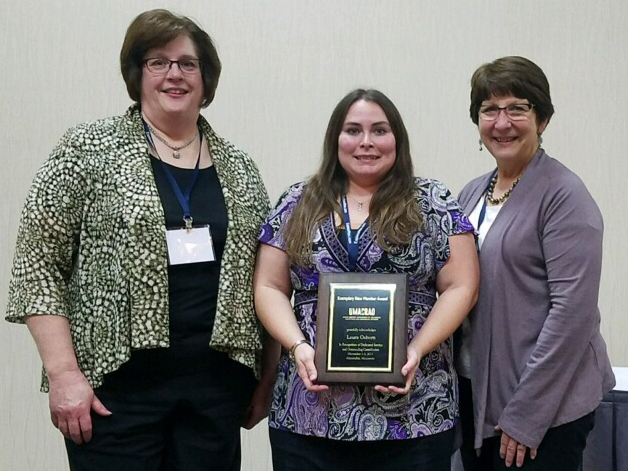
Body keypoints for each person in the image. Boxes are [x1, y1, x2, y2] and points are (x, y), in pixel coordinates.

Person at [5, 9, 274, 471]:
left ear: (206, 78)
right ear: (137, 74)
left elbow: (267, 280)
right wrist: (64, 374)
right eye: (158, 62)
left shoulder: (241, 168)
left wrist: (265, 380)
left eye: (188, 63)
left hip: (215, 393)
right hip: (115, 391)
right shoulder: (87, 148)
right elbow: (37, 264)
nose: (175, 74)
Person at [253, 88, 479, 471]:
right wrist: (298, 348)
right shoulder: (296, 202)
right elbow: (269, 287)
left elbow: (462, 286)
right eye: (353, 130)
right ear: (335, 139)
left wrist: (416, 351)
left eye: (379, 130)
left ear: (397, 139)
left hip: (415, 413)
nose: (366, 142)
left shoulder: (435, 202)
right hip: (308, 415)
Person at [456, 56, 615, 470]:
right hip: (479, 393)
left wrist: (527, 415)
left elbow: (571, 316)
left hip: (543, 407)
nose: (502, 122)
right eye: (490, 110)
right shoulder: (471, 194)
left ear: (541, 119)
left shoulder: (564, 196)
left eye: (517, 108)